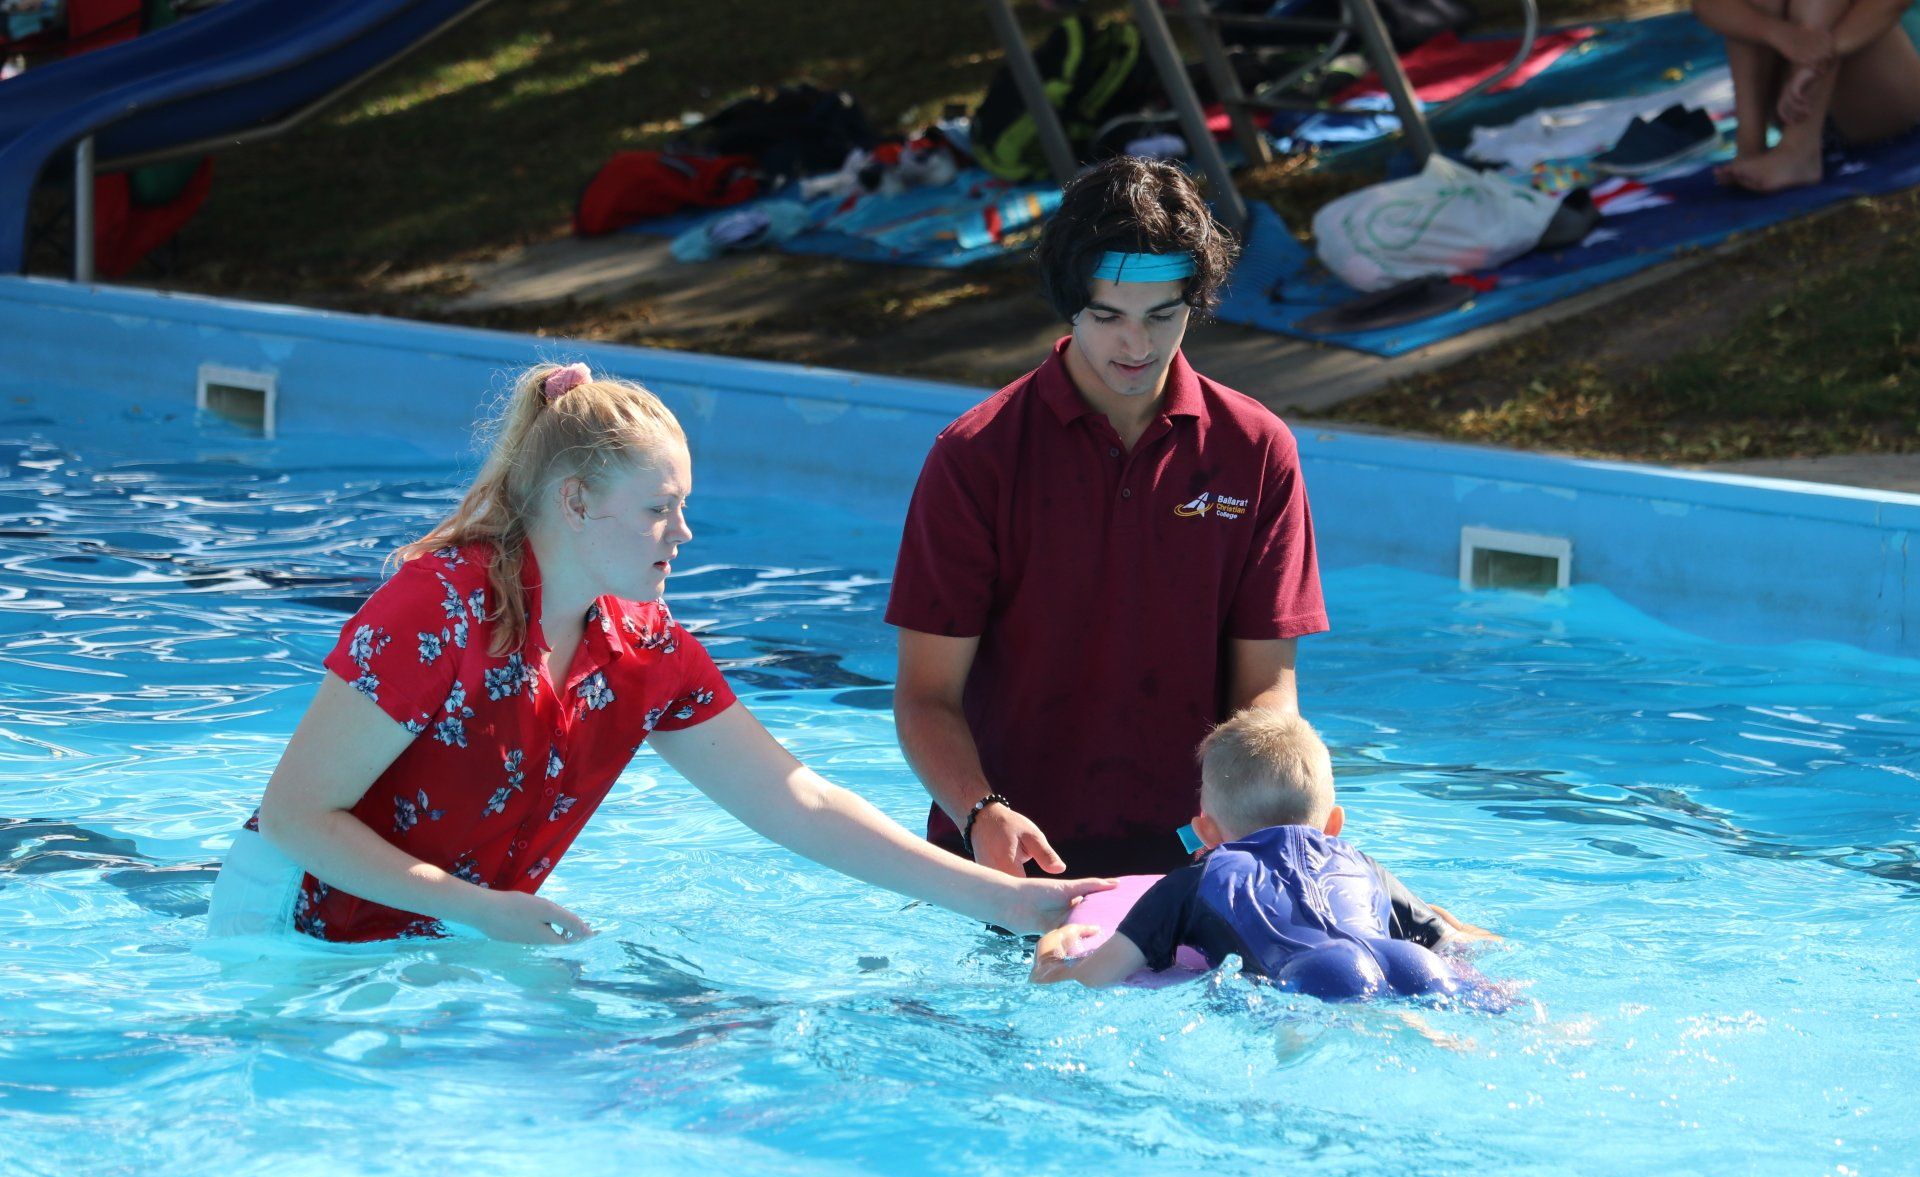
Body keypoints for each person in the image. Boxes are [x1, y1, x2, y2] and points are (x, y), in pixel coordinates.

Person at [206, 363, 1110, 945]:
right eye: (657, 508)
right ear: (572, 502)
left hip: (450, 926)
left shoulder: (642, 649)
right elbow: (293, 817)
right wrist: (480, 910)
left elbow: (799, 802)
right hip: (290, 926)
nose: (682, 532)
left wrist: (1005, 902)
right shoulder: (434, 610)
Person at [887, 156, 1330, 886]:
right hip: (1007, 869)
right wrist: (981, 810)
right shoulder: (976, 457)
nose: (1137, 346)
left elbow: (1266, 695)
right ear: (1071, 305)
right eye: (1108, 316)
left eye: (1163, 316)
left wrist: (1271, 825)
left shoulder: (1255, 450)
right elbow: (924, 695)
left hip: (1199, 866)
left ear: (1197, 299)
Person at [1029, 709, 1484, 995]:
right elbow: (1457, 941)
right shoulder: (1361, 863)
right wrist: (1454, 926)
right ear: (1334, 826)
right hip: (1410, 962)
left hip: (1311, 977)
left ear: (1205, 833)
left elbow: (1091, 980)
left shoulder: (1193, 881)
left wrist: (1049, 957)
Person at [1694, 0, 1920, 192]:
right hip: (1792, 95)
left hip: (1884, 100)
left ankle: (1798, 150)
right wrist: (1777, 33)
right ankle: (1750, 148)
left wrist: (1819, 57)